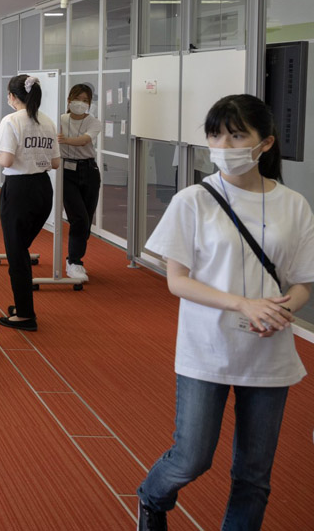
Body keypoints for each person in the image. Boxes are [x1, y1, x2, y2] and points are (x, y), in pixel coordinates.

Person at [136, 94, 313, 531]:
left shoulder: (293, 204)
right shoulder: (193, 200)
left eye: (236, 136)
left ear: (265, 143)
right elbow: (177, 281)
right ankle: (152, 498)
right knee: (191, 458)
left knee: (254, 476)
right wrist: (242, 304)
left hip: (268, 352)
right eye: (216, 136)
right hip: (206, 347)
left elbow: (303, 282)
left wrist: (281, 310)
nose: (223, 146)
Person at [0, 74, 59, 331]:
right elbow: (55, 162)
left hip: (19, 190)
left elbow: (6, 160)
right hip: (43, 188)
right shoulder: (47, 121)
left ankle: (25, 315)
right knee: (20, 250)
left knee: (16, 253)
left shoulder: (11, 121)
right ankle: (22, 307)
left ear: (12, 96)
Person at [57, 83, 102, 282]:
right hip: (66, 172)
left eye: (85, 101)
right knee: (79, 218)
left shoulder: (94, 122)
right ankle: (74, 261)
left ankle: (75, 258)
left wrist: (64, 140)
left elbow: (84, 140)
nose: (81, 104)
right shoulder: (59, 120)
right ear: (69, 100)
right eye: (78, 99)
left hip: (89, 171)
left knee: (86, 220)